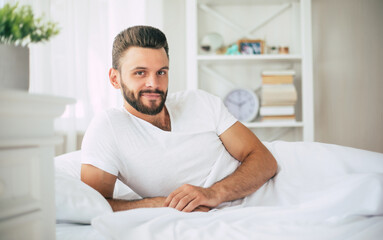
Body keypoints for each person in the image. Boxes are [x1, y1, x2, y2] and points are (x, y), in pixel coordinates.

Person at [81, 25, 277, 213]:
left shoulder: (200, 101)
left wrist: (214, 193)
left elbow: (265, 160)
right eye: (140, 73)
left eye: (161, 72)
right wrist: (162, 204)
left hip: (272, 191)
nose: (154, 84)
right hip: (234, 215)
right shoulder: (108, 127)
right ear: (115, 79)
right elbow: (90, 204)